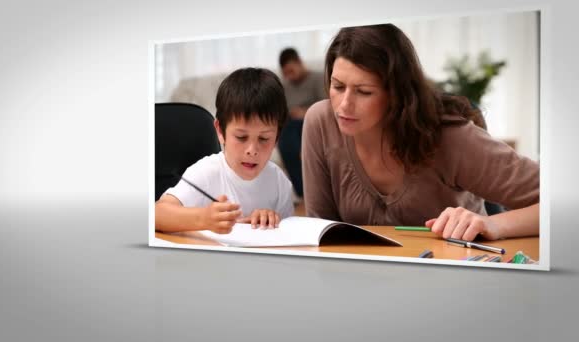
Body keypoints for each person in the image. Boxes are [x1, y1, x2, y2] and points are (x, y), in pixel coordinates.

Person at [301, 24, 539, 242]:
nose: (343, 105)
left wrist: (494, 225)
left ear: (397, 94)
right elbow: (320, 232)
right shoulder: (320, 122)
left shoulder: (451, 138)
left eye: (364, 92)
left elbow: (561, 203)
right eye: (338, 86)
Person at [155, 67, 294, 233]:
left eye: (264, 139)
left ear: (277, 137)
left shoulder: (279, 182)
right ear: (220, 131)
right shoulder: (206, 172)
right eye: (241, 137)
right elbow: (156, 214)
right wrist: (204, 218)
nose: (252, 150)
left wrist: (272, 219)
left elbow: (289, 232)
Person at [277, 48, 327, 197]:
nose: (289, 76)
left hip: (313, 121)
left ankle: (313, 189)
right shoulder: (285, 86)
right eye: (286, 73)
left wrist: (306, 112)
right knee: (286, 141)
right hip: (291, 124)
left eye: (291, 71)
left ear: (299, 62)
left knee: (291, 137)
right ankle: (303, 192)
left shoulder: (318, 78)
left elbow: (327, 105)